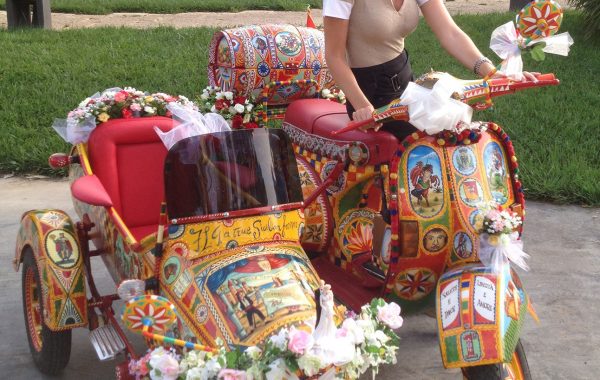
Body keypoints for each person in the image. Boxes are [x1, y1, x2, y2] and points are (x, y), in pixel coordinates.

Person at [323, 0, 536, 140]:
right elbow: (334, 56)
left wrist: (491, 73)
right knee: (422, 154)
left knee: (455, 137)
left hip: (407, 85)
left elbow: (450, 33)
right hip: (367, 94)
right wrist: (362, 106)